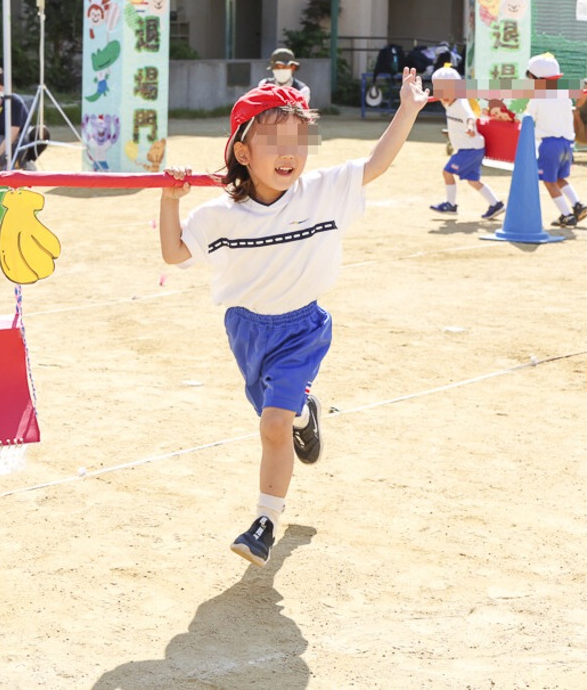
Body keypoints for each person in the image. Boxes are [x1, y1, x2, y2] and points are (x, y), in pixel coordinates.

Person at [158, 70, 428, 567]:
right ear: (243, 153)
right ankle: (307, 413)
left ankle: (264, 522)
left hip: (302, 329)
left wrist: (408, 107)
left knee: (272, 425)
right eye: (276, 142)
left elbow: (375, 163)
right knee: (279, 418)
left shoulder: (321, 193)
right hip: (246, 330)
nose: (291, 155)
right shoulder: (221, 215)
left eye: (299, 142)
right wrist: (170, 200)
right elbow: (174, 253)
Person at [428, 66, 504, 219]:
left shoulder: (461, 103)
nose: (443, 96)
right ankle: (496, 204)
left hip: (469, 149)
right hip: (472, 148)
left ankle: (450, 204)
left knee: (447, 172)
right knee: (473, 181)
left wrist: (470, 127)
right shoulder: (448, 102)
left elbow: (470, 117)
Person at [524, 53, 587, 227]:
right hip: (567, 144)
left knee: (549, 181)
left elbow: (528, 118)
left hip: (549, 144)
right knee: (560, 178)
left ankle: (566, 215)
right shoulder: (564, 95)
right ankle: (577, 204)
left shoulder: (538, 96)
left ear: (536, 78)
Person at [0, 66, 49, 170]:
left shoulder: (15, 102)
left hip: (21, 136)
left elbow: (13, 134)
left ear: (6, 88)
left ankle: (25, 161)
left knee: (41, 133)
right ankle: (3, 164)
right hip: (1, 135)